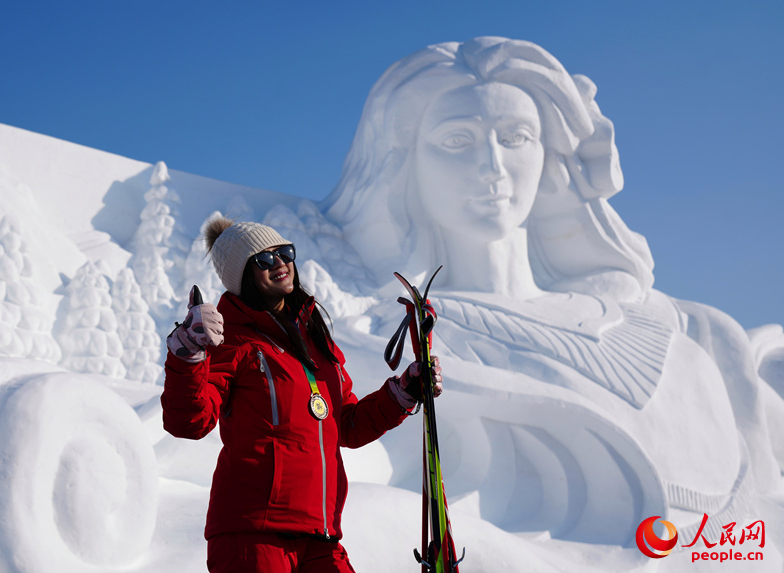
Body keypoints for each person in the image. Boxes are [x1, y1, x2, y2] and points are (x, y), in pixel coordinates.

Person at [322, 36, 780, 545]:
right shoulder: (394, 337)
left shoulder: (691, 328)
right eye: (457, 141)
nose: (492, 167)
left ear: (550, 155)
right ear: (406, 164)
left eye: (516, 137)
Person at [160, 216, 441, 573]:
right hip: (253, 536)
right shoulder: (231, 339)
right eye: (263, 259)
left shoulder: (315, 342)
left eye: (284, 252)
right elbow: (189, 421)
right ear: (242, 276)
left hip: (320, 535)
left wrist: (403, 393)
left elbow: (347, 426)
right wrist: (188, 353)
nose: (279, 263)